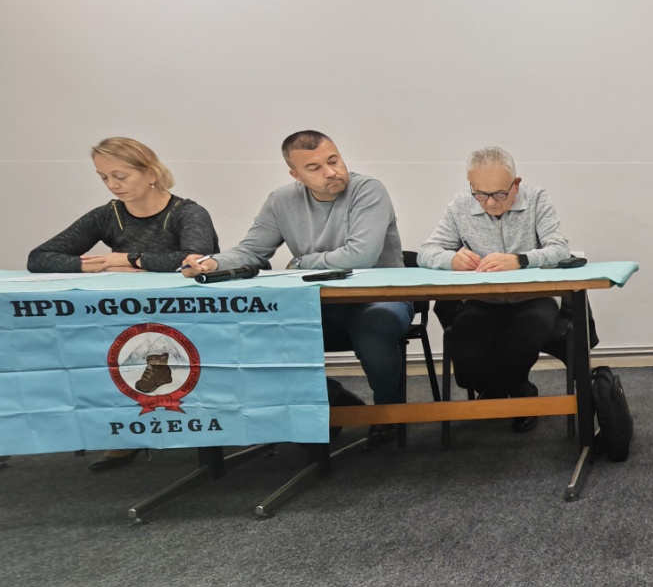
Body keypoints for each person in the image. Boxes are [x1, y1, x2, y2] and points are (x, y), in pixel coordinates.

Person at [180, 130, 410, 445]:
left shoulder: (368, 190)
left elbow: (361, 256)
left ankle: (389, 413)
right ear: (296, 175)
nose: (331, 172)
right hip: (315, 302)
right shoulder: (281, 200)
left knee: (374, 330)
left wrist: (302, 262)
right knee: (254, 333)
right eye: (314, 168)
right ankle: (335, 398)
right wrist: (211, 263)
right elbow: (251, 251)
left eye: (334, 160)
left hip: (378, 298)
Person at [29, 137, 221, 471]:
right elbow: (39, 257)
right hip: (127, 315)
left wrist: (129, 258)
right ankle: (124, 431)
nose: (112, 185)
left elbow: (195, 258)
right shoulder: (109, 214)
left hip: (187, 313)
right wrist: (92, 265)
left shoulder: (188, 213)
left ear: (151, 173)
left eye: (120, 176)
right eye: (104, 177)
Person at [416, 147, 571, 433]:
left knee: (520, 341)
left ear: (516, 184)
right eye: (480, 194)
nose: (489, 203)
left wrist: (521, 260)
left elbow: (560, 250)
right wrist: (451, 259)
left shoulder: (536, 199)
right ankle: (508, 388)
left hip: (533, 298)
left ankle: (517, 395)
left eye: (500, 194)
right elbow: (426, 252)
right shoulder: (460, 205)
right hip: (482, 301)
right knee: (466, 350)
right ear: (470, 185)